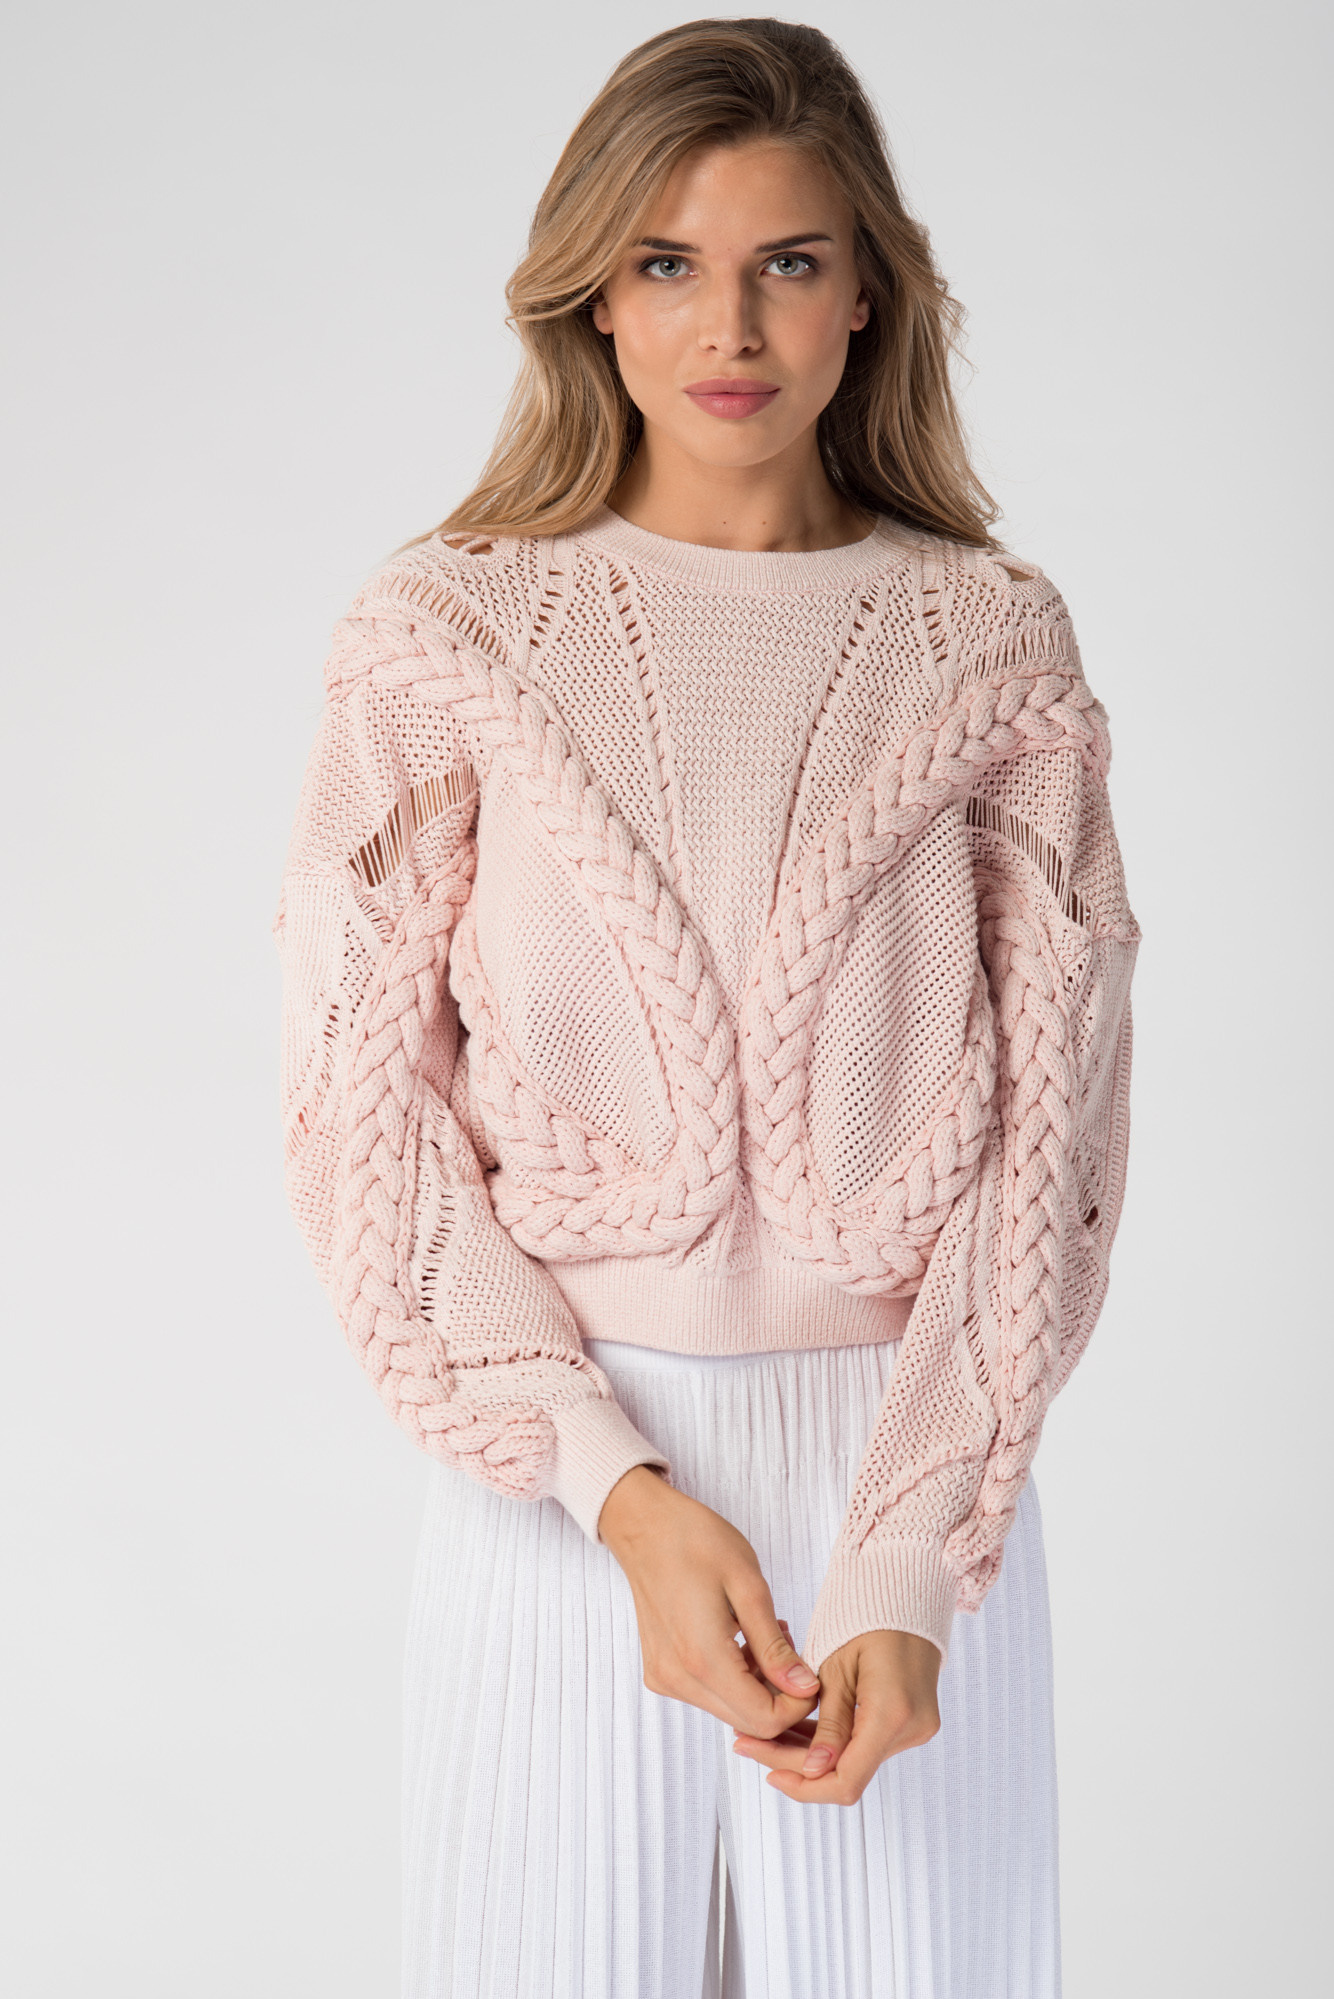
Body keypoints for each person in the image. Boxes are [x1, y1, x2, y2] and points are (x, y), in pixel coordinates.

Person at [274, 17, 1139, 1996]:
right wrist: (615, 1494)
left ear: (867, 296)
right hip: (553, 1483)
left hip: (916, 1483)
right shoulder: (446, 630)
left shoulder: (990, 642)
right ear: (591, 295)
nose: (727, 325)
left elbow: (1054, 1143)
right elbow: (364, 1125)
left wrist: (908, 1556)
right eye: (666, 262)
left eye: (787, 262)